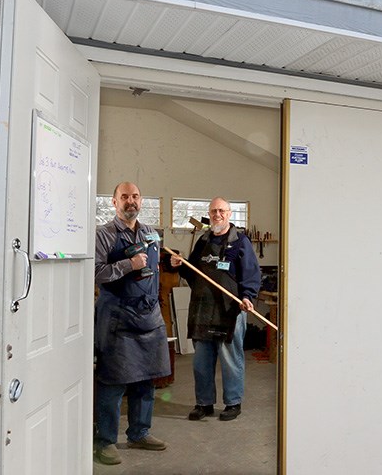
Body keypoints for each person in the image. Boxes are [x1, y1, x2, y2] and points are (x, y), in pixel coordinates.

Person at [94, 182, 171, 465]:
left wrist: (170, 264)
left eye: (135, 196)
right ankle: (105, 441)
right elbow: (96, 272)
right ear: (114, 202)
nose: (131, 201)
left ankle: (139, 433)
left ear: (141, 201)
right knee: (113, 381)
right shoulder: (104, 234)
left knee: (146, 379)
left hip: (149, 316)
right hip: (117, 317)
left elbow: (155, 268)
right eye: (124, 197)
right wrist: (129, 265)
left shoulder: (151, 233)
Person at [171, 197, 261, 422]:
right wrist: (180, 265)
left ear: (229, 214)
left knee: (231, 359)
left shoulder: (240, 242)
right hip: (202, 309)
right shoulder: (203, 241)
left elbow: (251, 273)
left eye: (221, 211)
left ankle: (233, 403)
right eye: (213, 211)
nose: (217, 215)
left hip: (229, 310)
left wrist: (248, 297)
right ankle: (204, 403)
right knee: (201, 360)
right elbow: (192, 272)